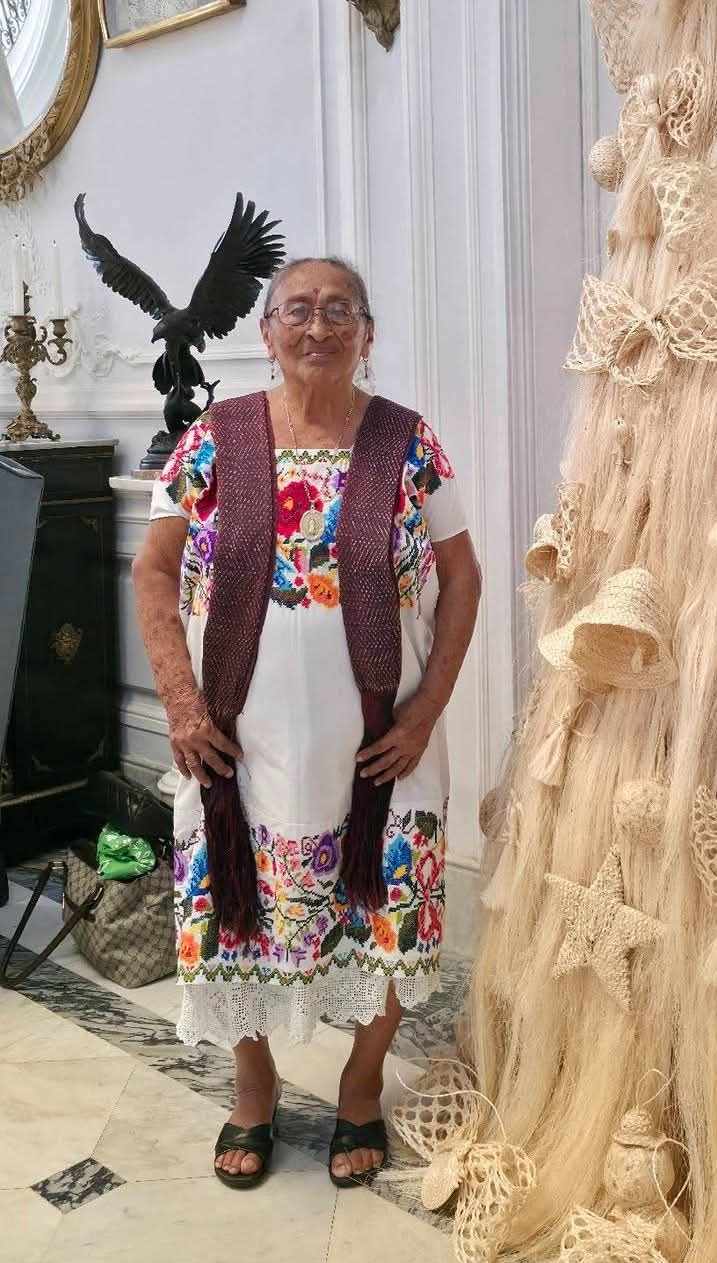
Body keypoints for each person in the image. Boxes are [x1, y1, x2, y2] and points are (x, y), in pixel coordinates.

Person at [133, 257, 481, 1189]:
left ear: (368, 333)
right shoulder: (211, 441)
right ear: (265, 329)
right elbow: (153, 570)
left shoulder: (409, 443)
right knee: (229, 916)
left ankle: (360, 1086)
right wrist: (180, 702)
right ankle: (254, 1089)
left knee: (389, 921)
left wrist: (426, 712)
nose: (317, 326)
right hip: (237, 749)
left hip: (382, 750)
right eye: (297, 310)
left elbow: (463, 578)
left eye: (338, 310)